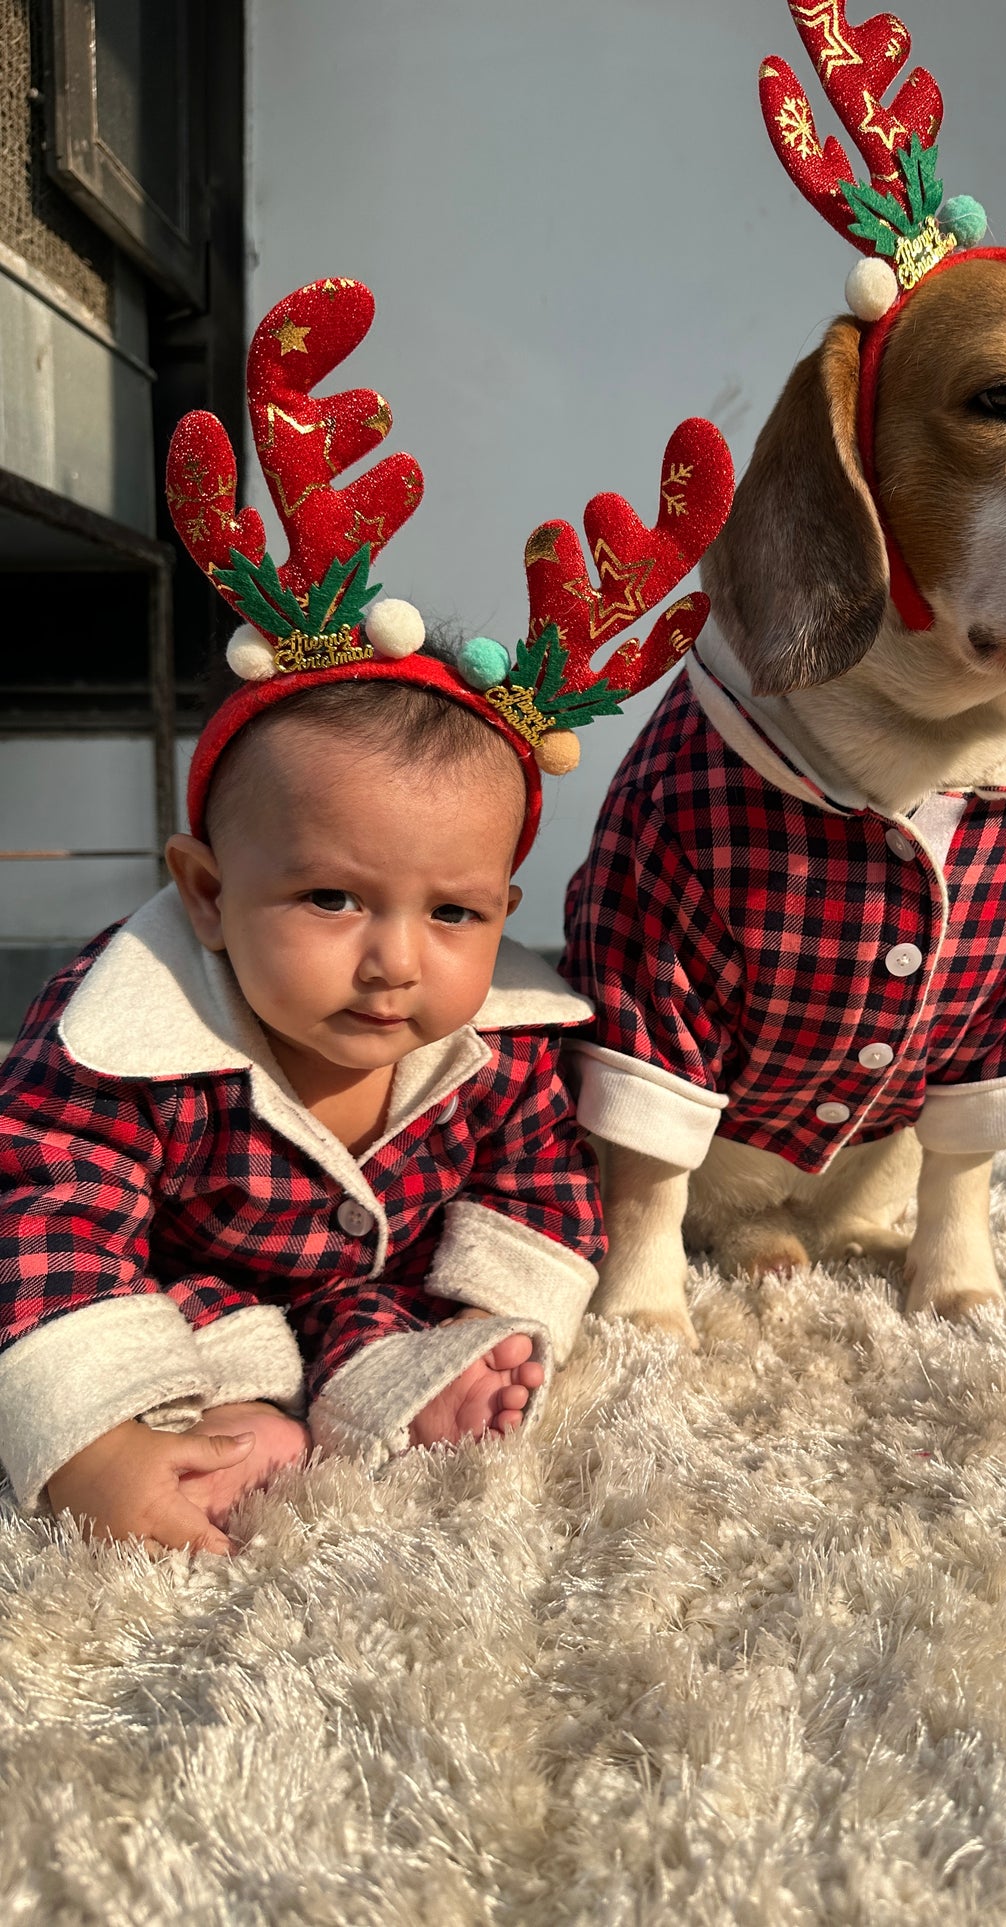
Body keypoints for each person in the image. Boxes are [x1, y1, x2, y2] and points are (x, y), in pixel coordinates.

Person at [0, 276, 733, 1554]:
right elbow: (43, 1215)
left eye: (452, 911)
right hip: (184, 1276)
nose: (397, 960)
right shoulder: (125, 1031)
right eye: (331, 896)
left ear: (501, 908)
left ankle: (397, 1384)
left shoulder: (502, 1047)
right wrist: (89, 1436)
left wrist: (491, 1315)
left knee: (420, 1322)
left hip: (373, 1282)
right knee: (174, 1345)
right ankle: (209, 1410)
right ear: (210, 893)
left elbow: (537, 1192)